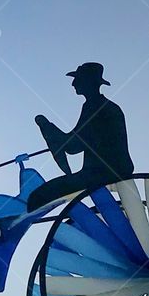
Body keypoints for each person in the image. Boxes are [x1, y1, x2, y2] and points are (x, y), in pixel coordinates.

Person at [27, 62, 134, 211]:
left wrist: (48, 127)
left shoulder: (97, 107)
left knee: (39, 196)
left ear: (88, 82)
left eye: (77, 79)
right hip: (104, 169)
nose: (73, 84)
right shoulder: (99, 105)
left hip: (103, 171)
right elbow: (74, 142)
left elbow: (73, 146)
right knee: (42, 194)